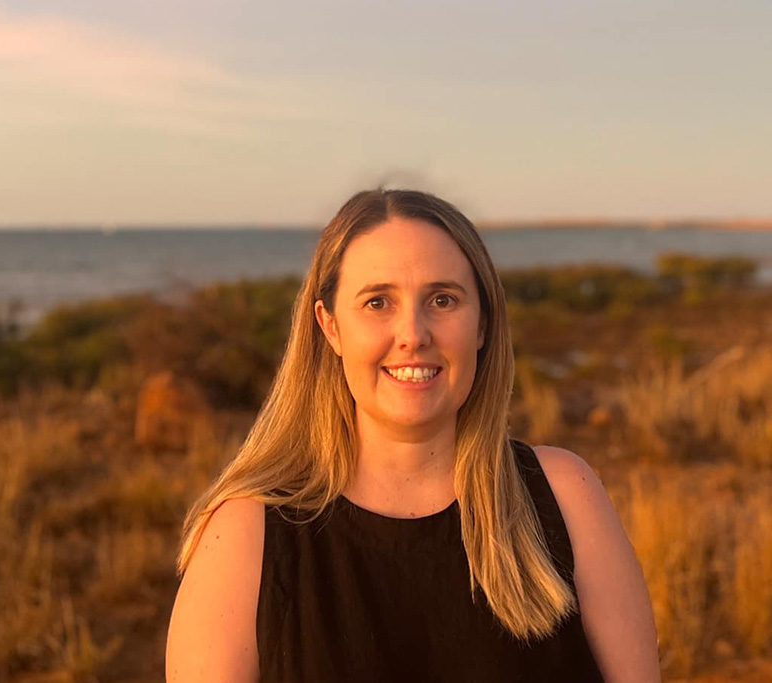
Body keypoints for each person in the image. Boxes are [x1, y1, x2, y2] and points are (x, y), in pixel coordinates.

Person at [165, 189, 661, 682]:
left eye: (442, 300)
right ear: (330, 327)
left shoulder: (562, 495)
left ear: (483, 323)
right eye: (378, 302)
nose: (413, 333)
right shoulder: (245, 536)